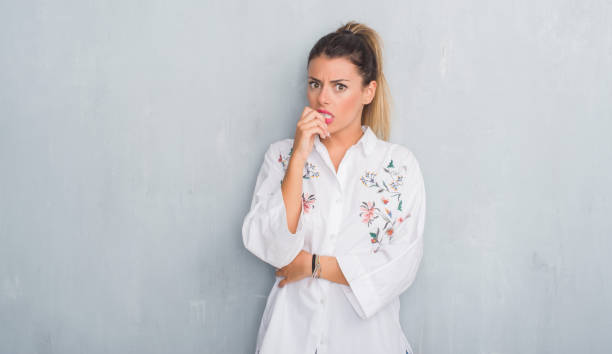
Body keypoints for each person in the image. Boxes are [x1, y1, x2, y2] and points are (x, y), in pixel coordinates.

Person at [241, 20, 426, 354]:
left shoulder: (398, 166)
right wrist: (299, 155)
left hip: (368, 342)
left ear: (367, 92)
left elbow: (401, 263)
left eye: (339, 86)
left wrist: (312, 265)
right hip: (290, 338)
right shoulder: (280, 155)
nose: (322, 98)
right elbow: (272, 247)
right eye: (315, 84)